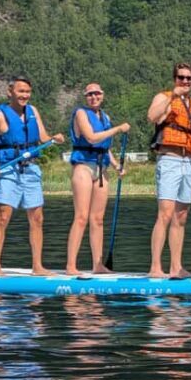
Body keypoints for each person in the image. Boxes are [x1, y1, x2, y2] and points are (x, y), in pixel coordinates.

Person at [0, 76, 65, 277]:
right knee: (4, 216)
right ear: (10, 92)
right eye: (20, 91)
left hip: (31, 169)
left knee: (37, 218)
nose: (24, 95)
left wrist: (55, 139)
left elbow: (43, 138)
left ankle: (37, 266)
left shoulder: (33, 111)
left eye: (27, 91)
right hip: (9, 170)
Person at [146, 62, 191, 279]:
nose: (184, 81)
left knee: (181, 216)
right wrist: (172, 96)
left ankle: (176, 267)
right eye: (180, 77)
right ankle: (155, 267)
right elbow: (152, 116)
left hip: (188, 162)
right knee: (165, 213)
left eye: (188, 78)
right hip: (169, 159)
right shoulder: (164, 97)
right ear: (175, 78)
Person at [65, 83, 130, 276]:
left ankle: (97, 264)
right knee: (81, 217)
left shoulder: (105, 117)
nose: (94, 97)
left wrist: (117, 165)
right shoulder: (81, 114)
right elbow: (92, 138)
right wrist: (118, 129)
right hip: (84, 167)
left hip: (101, 168)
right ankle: (70, 265)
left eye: (97, 94)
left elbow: (104, 146)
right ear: (86, 97)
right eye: (90, 94)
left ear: (102, 95)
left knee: (98, 219)